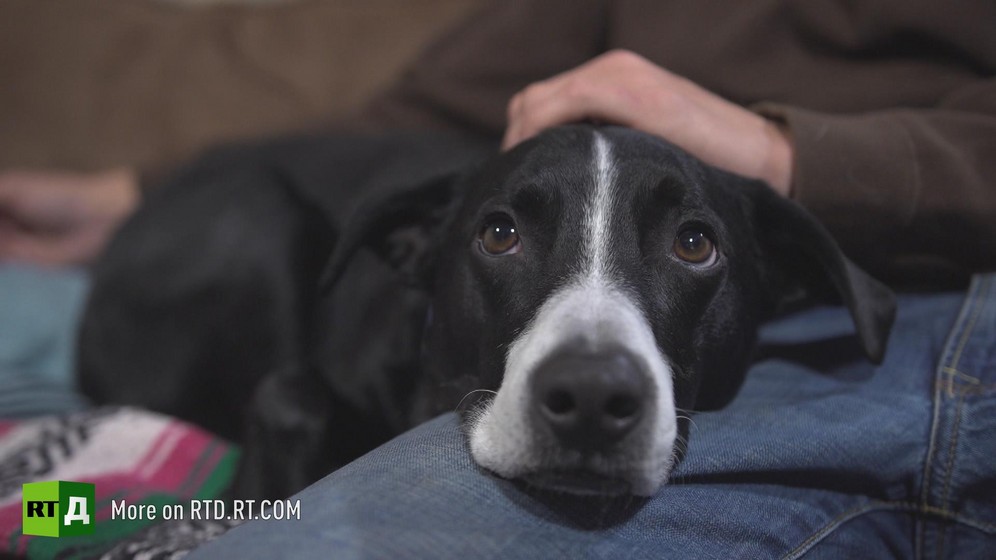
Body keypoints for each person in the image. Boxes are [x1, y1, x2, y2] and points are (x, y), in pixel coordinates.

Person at [7, 0, 996, 556]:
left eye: (688, 245)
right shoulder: (369, 261)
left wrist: (783, 154)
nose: (593, 377)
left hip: (945, 274)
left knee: (302, 539)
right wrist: (132, 191)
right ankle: (113, 494)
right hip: (239, 258)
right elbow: (419, 110)